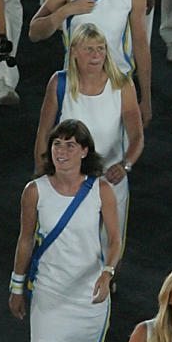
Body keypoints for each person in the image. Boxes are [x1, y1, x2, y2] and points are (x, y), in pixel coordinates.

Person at [9, 118, 121, 342]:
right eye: (58, 144)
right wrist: (16, 285)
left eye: (71, 144)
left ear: (85, 151)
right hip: (49, 293)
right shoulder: (35, 191)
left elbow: (115, 240)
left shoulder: (100, 190)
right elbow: (26, 239)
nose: (63, 150)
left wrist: (108, 272)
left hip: (89, 295)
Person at [34, 22, 143, 246]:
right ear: (73, 52)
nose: (96, 55)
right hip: (65, 180)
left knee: (110, 243)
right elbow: (43, 135)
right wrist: (42, 176)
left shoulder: (122, 85)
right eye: (89, 49)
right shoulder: (59, 83)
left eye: (101, 48)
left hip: (110, 179)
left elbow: (137, 136)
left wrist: (125, 165)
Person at [29, 0, 151, 121]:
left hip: (118, 84)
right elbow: (34, 32)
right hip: (76, 85)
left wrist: (146, 98)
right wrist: (66, 11)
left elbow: (141, 46)